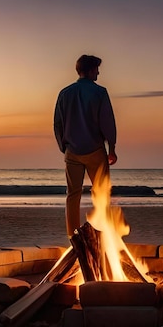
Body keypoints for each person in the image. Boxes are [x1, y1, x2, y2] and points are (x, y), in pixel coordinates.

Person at [53, 54, 118, 237]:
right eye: (96, 69)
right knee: (101, 193)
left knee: (72, 195)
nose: (98, 72)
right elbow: (107, 123)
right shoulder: (100, 92)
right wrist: (111, 148)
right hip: (95, 150)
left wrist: (63, 146)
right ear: (90, 70)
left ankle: (73, 236)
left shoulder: (65, 93)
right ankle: (103, 232)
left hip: (72, 151)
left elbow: (57, 123)